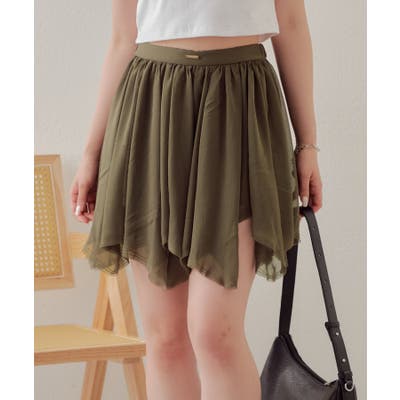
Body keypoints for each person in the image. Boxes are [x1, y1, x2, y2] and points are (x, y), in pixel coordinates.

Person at [70, 0, 323, 398]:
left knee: (215, 332)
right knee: (165, 336)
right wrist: (92, 152)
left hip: (239, 106)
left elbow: (290, 24)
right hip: (151, 107)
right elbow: (123, 38)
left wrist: (306, 143)